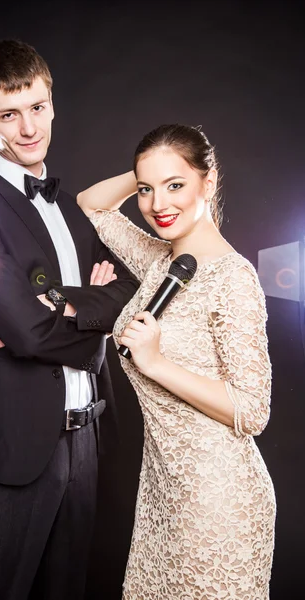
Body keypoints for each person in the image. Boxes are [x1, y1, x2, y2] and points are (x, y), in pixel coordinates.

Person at [0, 39, 138, 600]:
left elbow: (128, 286)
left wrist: (59, 305)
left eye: (38, 108)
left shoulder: (71, 207)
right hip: (10, 445)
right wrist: (87, 322)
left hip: (84, 438)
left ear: (52, 104)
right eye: (8, 114)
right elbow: (25, 331)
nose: (28, 128)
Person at [76, 123, 276, 599]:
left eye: (176, 185)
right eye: (147, 190)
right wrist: (152, 169)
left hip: (218, 502)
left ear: (209, 182)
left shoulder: (233, 279)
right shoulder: (160, 262)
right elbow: (92, 204)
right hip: (164, 496)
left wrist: (157, 362)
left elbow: (253, 410)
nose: (158, 205)